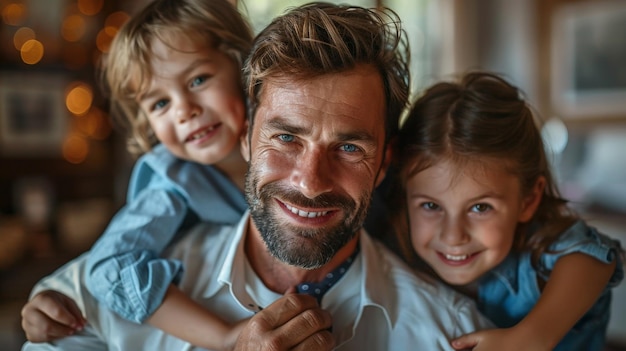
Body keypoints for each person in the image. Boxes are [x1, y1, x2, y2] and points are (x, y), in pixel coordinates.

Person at [21, 3, 494, 350]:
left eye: (349, 148)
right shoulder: (92, 301)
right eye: (286, 138)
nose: (310, 182)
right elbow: (103, 271)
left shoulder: (453, 331)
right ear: (247, 137)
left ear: (385, 163)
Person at [21, 0, 253, 349]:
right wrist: (227, 337)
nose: (184, 111)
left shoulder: (290, 148)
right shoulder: (173, 181)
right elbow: (111, 266)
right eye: (160, 103)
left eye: (198, 79)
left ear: (242, 67)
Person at [388, 71, 624, 351]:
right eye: (430, 206)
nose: (453, 236)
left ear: (528, 200)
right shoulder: (397, 259)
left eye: (480, 207)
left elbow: (596, 256)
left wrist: (530, 337)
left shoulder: (537, 259)